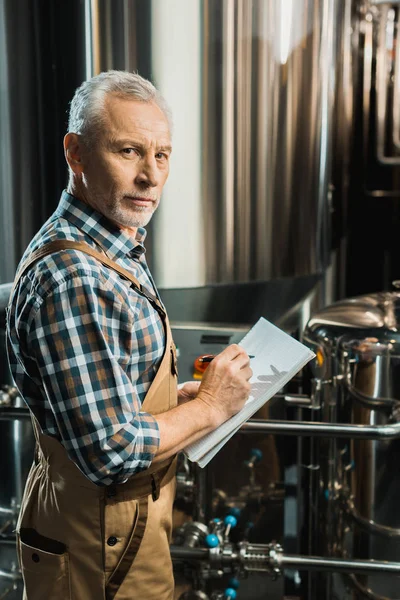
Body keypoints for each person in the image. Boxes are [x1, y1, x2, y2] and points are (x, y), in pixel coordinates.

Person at [6, 70, 252, 600]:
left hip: (121, 531)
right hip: (102, 544)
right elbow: (111, 453)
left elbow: (113, 403)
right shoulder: (75, 277)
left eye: (162, 155)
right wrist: (209, 406)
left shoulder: (113, 244)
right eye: (129, 151)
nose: (151, 175)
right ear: (76, 153)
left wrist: (172, 401)